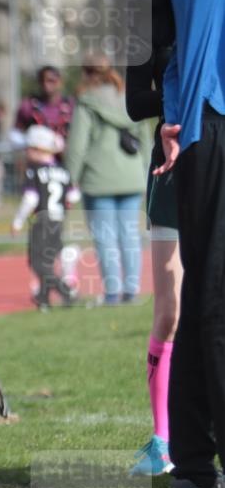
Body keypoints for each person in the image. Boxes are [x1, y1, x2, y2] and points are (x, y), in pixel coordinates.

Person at [153, 0, 225, 488]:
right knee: (213, 297)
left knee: (211, 293)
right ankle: (196, 469)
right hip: (214, 127)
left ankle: (193, 473)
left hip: (200, 119)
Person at [126, 0, 179, 476]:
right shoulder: (148, 23)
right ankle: (160, 440)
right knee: (172, 309)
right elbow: (135, 104)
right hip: (169, 170)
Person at [63, 55, 149, 305]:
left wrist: (71, 179)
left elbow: (77, 144)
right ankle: (131, 290)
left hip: (99, 179)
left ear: (86, 73)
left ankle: (113, 292)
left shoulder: (87, 102)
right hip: (132, 175)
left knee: (105, 236)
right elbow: (144, 137)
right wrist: (144, 170)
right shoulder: (128, 97)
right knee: (129, 234)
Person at [11, 124, 79, 311]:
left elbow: (30, 198)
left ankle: (65, 290)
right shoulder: (63, 171)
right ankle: (44, 298)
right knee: (48, 261)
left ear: (38, 149)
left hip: (41, 221)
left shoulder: (34, 171)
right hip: (58, 221)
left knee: (36, 262)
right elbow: (73, 195)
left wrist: (17, 222)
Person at [15, 66, 74, 143]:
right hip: (37, 152)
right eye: (42, 81)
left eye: (51, 81)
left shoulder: (71, 105)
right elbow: (16, 133)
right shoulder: (28, 105)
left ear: (60, 82)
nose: (46, 85)